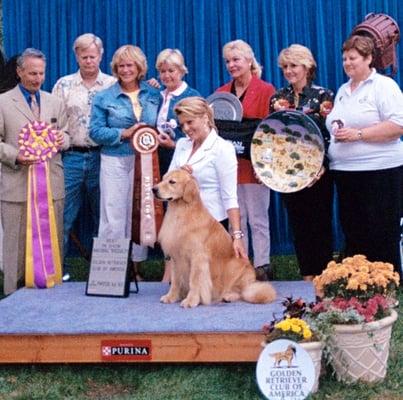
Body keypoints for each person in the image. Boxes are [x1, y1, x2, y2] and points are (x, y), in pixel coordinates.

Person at [326, 35, 403, 278]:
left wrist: (359, 134)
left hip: (380, 171)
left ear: (369, 59)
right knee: (354, 231)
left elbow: (399, 124)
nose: (347, 63)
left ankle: (387, 282)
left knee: (381, 230)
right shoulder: (342, 90)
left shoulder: (384, 86)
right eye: (344, 58)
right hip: (346, 172)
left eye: (353, 58)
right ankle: (358, 282)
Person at [0, 48, 69, 295]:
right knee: (15, 245)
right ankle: (11, 297)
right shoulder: (3, 102)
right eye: (31, 73)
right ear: (19, 72)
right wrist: (15, 155)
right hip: (15, 185)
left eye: (41, 73)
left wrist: (64, 139)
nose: (37, 78)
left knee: (52, 242)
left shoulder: (55, 101)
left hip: (51, 183)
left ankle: (52, 294)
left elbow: (67, 133)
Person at [52, 33, 116, 281]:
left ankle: (105, 275)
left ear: (101, 56)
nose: (89, 61)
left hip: (105, 156)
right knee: (63, 215)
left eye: (93, 56)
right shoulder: (63, 85)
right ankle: (57, 270)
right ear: (76, 56)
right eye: (84, 56)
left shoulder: (113, 84)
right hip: (72, 157)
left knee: (105, 216)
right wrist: (60, 139)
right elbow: (54, 121)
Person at [89, 45, 160, 265]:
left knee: (142, 209)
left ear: (139, 67)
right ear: (115, 69)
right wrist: (123, 133)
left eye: (130, 65)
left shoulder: (153, 93)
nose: (126, 70)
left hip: (147, 160)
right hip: (114, 158)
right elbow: (95, 131)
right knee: (114, 212)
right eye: (121, 66)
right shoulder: (103, 97)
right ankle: (112, 267)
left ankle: (137, 265)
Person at [270, 44, 335, 281]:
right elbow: (271, 136)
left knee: (320, 222)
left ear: (307, 66)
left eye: (293, 65)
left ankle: (325, 274)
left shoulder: (324, 96)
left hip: (319, 171)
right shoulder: (277, 98)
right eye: (285, 66)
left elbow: (330, 134)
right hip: (289, 172)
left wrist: (323, 165)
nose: (288, 70)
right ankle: (306, 273)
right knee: (298, 223)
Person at [216, 39, 275, 280]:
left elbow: (272, 132)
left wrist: (267, 168)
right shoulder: (220, 94)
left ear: (249, 61)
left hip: (255, 167)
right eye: (228, 61)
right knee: (235, 221)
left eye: (236, 59)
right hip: (230, 168)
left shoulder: (266, 90)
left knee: (258, 218)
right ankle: (241, 267)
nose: (231, 65)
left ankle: (262, 266)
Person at [169, 96, 247, 259]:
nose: (186, 128)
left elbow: (230, 197)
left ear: (205, 118)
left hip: (212, 224)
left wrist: (237, 236)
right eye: (182, 124)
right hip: (181, 223)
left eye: (190, 122)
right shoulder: (182, 145)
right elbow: (166, 185)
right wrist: (179, 176)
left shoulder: (222, 148)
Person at [155, 48, 200, 176]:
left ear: (181, 71)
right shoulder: (157, 96)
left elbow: (200, 133)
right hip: (158, 158)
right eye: (162, 71)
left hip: (184, 159)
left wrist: (174, 145)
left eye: (171, 70)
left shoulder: (192, 96)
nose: (166, 75)